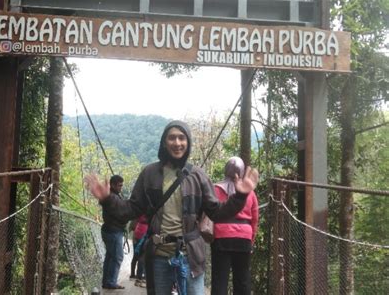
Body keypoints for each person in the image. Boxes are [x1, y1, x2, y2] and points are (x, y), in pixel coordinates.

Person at [85, 120, 259, 295]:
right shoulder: (149, 174)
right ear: (164, 142)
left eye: (182, 138)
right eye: (172, 138)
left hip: (190, 255)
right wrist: (107, 199)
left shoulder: (198, 175)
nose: (177, 143)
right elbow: (131, 209)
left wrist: (241, 196)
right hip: (159, 255)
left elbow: (217, 213)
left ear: (188, 142)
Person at [211, 157, 259, 295]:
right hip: (244, 238)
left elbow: (210, 213)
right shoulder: (248, 191)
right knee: (242, 280)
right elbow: (254, 218)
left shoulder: (215, 189)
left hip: (221, 237)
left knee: (219, 279)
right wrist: (251, 239)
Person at [100, 175, 127, 290]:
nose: (121, 187)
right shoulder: (113, 197)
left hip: (109, 230)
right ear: (113, 185)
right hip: (113, 231)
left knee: (110, 256)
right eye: (119, 185)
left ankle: (106, 281)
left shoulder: (112, 196)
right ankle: (111, 282)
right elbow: (122, 213)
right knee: (117, 257)